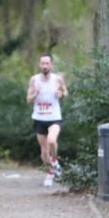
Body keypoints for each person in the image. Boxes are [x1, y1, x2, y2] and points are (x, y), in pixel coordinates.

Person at [26, 53, 68, 188]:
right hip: (39, 118)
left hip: (54, 117)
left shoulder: (58, 79)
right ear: (39, 65)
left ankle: (55, 161)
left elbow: (65, 92)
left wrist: (60, 94)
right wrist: (35, 93)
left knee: (51, 141)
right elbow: (28, 99)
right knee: (44, 152)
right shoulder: (34, 80)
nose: (45, 66)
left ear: (51, 65)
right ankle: (50, 172)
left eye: (47, 63)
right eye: (42, 63)